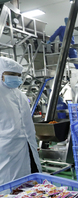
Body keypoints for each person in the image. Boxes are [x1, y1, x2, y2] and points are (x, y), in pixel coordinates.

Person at [0, 57, 42, 185]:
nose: (16, 78)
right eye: (11, 74)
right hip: (7, 149)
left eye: (18, 75)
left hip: (28, 146)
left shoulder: (21, 95)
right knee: (9, 187)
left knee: (31, 183)